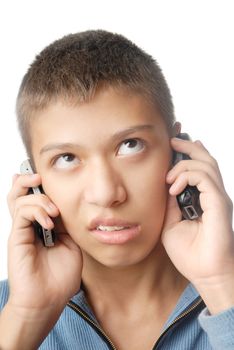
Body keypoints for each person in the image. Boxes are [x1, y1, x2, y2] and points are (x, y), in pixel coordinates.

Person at [0, 30, 234, 350]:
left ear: (179, 153)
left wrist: (221, 283)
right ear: (34, 182)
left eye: (130, 145)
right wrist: (26, 317)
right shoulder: (9, 310)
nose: (106, 193)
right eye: (67, 158)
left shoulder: (228, 286)